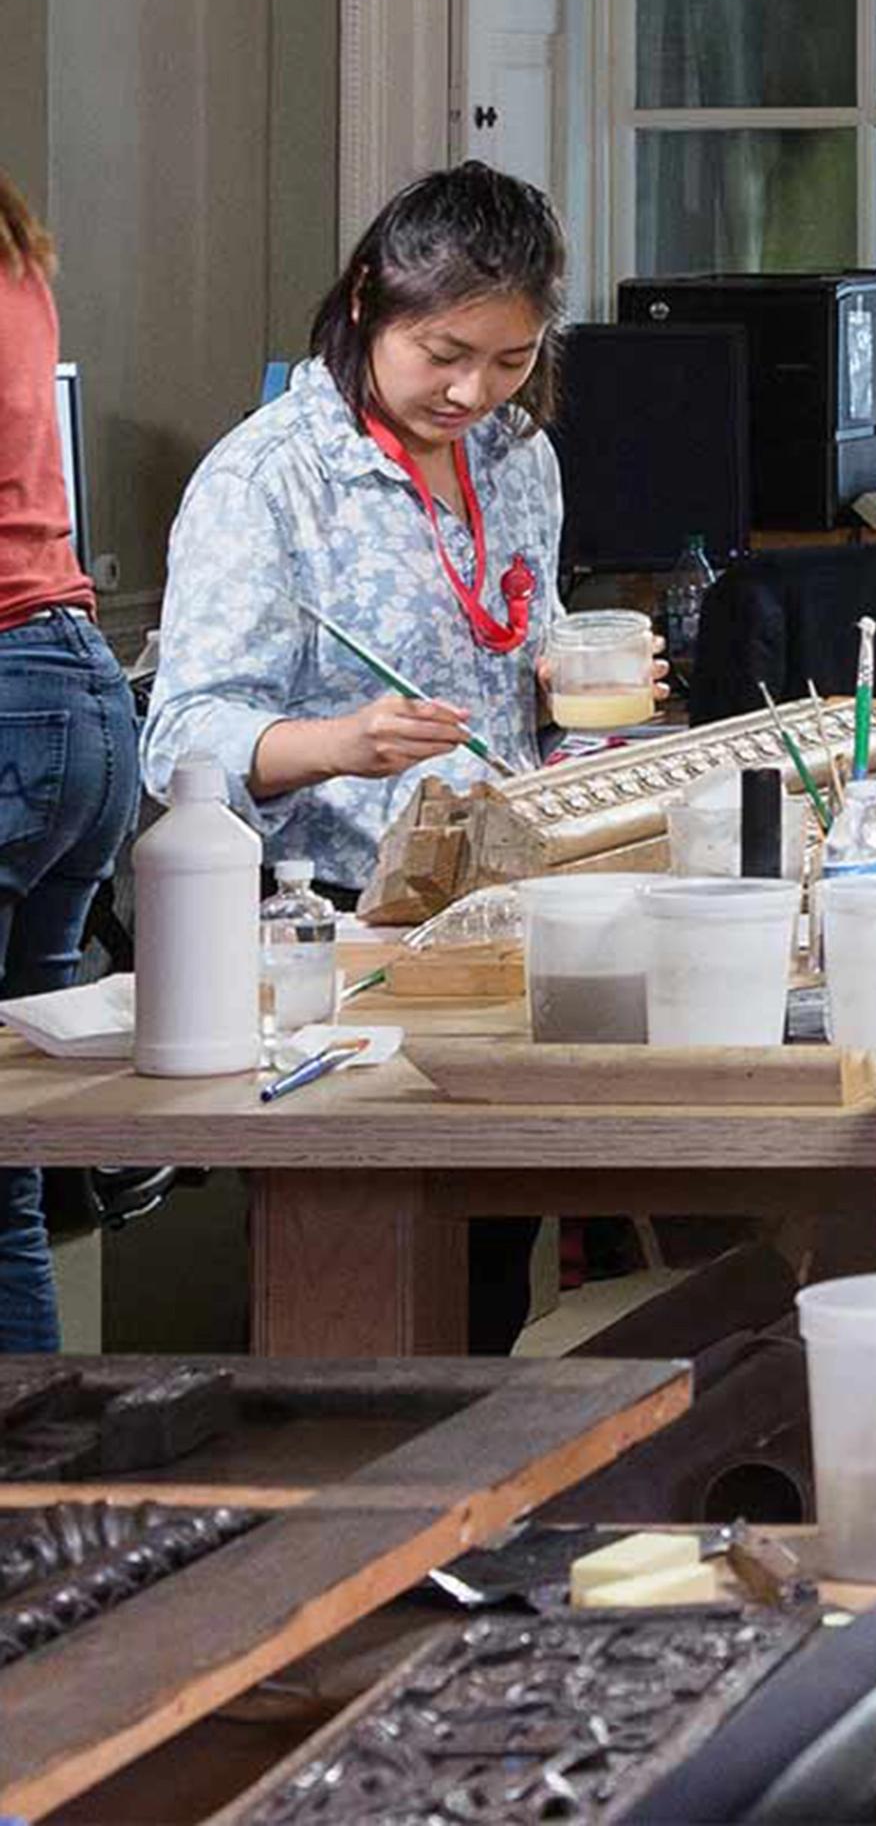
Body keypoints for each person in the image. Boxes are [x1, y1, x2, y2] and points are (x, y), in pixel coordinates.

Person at [143, 161, 572, 1351]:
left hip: (495, 927)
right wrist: (341, 744)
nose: (473, 391)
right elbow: (181, 741)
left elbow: (519, 668)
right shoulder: (267, 479)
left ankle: (477, 1527)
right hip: (333, 943)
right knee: (357, 1291)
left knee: (489, 1284)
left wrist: (575, 700)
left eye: (511, 359)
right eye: (443, 353)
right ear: (370, 301)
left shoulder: (519, 459)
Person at [0, 175, 137, 1352]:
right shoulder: (14, 252)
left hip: (9, 704)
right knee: (5, 1174)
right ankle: (34, 1521)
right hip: (75, 694)